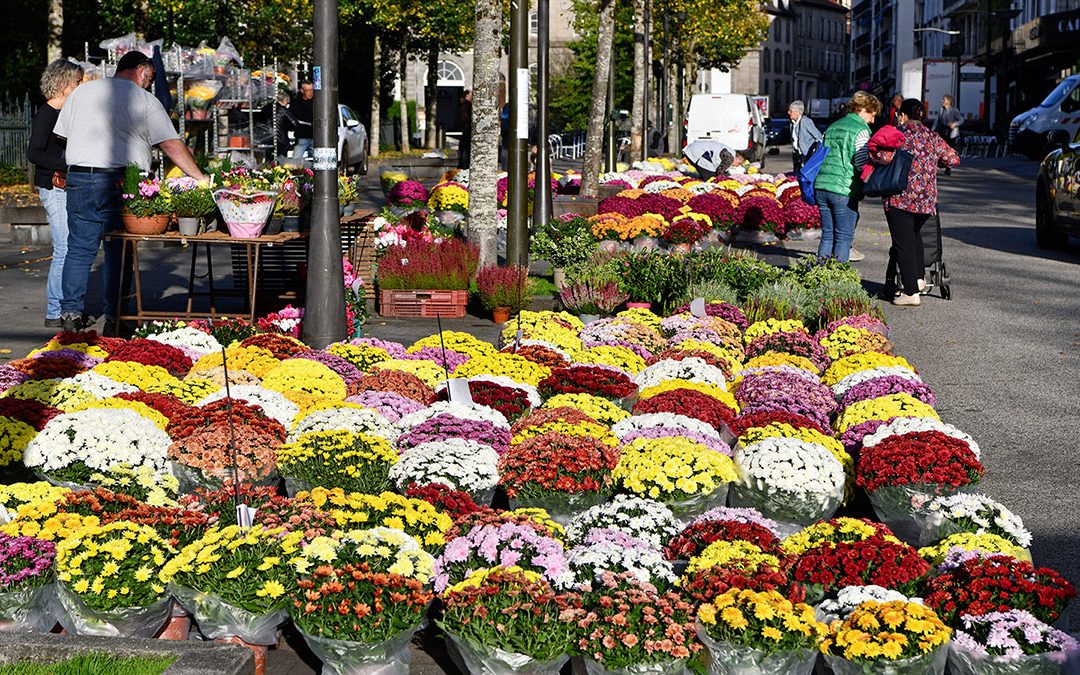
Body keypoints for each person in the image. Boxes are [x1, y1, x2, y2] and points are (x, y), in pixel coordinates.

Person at [53, 50, 206, 334]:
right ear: (142, 71)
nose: (149, 83)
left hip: (79, 178)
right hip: (119, 180)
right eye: (150, 77)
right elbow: (171, 144)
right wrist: (199, 177)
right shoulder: (144, 99)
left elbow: (61, 135)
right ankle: (116, 316)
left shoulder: (82, 92)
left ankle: (70, 313)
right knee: (118, 249)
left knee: (78, 248)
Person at [872, 98, 959, 306]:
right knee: (914, 237)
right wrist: (931, 160)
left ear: (902, 115)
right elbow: (953, 159)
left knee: (903, 244)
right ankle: (918, 280)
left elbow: (882, 157)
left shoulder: (899, 135)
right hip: (925, 200)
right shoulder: (932, 137)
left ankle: (911, 293)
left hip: (900, 197)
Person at [27, 59, 84, 328]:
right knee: (63, 247)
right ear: (63, 84)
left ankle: (60, 307)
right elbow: (34, 152)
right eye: (77, 82)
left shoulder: (65, 114)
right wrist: (67, 163)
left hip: (63, 186)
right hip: (53, 187)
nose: (80, 87)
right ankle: (54, 310)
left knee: (68, 246)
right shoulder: (47, 113)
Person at [813, 90, 882, 263]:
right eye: (872, 115)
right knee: (843, 238)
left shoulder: (833, 126)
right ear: (863, 109)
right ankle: (836, 282)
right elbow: (860, 162)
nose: (873, 120)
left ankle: (818, 277)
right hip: (843, 189)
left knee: (827, 236)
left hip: (821, 186)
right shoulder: (861, 130)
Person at [788, 100, 822, 173]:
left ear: (798, 112)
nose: (788, 113)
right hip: (797, 154)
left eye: (791, 111)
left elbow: (818, 136)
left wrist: (814, 150)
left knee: (805, 175)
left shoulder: (805, 121)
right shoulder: (792, 123)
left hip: (807, 154)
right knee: (797, 175)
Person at [932, 95, 961, 175]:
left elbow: (961, 120)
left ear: (949, 101)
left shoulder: (955, 110)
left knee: (950, 150)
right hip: (943, 131)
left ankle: (948, 168)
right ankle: (938, 167)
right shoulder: (941, 110)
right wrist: (932, 130)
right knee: (940, 149)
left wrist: (955, 124)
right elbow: (937, 121)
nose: (942, 101)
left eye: (944, 100)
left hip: (951, 132)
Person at [292, 80, 315, 159]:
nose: (310, 93)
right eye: (308, 90)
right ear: (302, 91)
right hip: (301, 136)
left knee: (317, 160)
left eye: (312, 90)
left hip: (315, 136)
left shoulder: (317, 102)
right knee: (296, 159)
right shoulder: (296, 103)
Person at [457, 89, 472, 169]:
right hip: (467, 130)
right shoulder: (468, 105)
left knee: (464, 150)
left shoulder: (462, 105)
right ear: (467, 96)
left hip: (465, 130)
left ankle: (462, 166)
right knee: (466, 151)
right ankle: (464, 166)